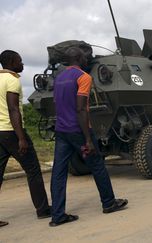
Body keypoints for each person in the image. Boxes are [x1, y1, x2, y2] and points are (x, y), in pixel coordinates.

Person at [50, 47, 127, 227]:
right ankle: (108, 203)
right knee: (97, 166)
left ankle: (57, 215)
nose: (87, 59)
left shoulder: (59, 78)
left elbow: (57, 105)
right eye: (85, 56)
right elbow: (80, 108)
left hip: (61, 131)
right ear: (78, 58)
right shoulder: (83, 77)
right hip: (78, 130)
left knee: (59, 173)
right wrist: (88, 139)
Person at [0, 50, 51, 227]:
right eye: (20, 61)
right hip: (11, 132)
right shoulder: (12, 80)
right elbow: (13, 109)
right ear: (12, 62)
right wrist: (21, 137)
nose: (22, 64)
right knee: (33, 170)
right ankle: (43, 210)